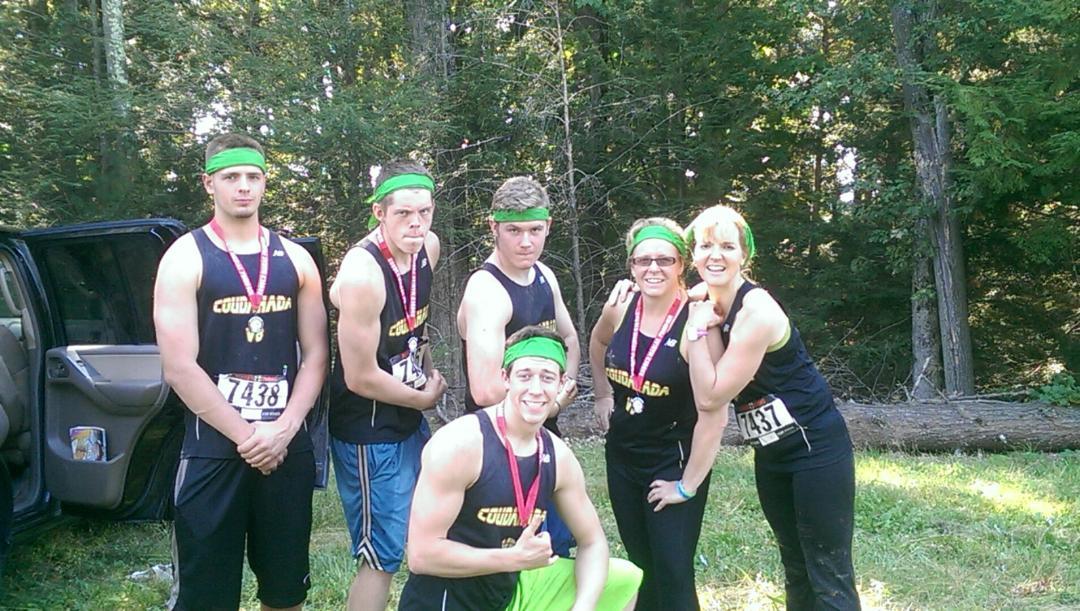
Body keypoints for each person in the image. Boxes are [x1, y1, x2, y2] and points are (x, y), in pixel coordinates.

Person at [155, 133, 329, 611]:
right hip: (214, 448)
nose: (244, 187)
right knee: (206, 598)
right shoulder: (185, 257)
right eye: (231, 176)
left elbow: (317, 355)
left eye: (253, 176)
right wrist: (248, 437)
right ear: (208, 182)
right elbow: (179, 367)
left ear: (265, 182)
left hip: (284, 446)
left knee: (286, 591)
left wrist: (284, 429)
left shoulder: (296, 259)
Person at [671, 204, 860, 610]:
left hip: (816, 449)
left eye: (727, 246)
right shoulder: (705, 302)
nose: (715, 255)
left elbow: (710, 396)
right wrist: (700, 318)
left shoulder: (756, 311)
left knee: (828, 572)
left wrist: (697, 327)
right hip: (771, 453)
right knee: (795, 564)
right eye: (705, 246)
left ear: (744, 255)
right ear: (694, 255)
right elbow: (701, 365)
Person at [399, 326, 643, 610]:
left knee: (622, 580)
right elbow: (422, 555)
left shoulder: (558, 456)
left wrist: (583, 607)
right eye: (525, 376)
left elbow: (593, 543)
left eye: (547, 377)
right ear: (505, 378)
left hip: (510, 589)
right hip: (446, 599)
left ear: (561, 383)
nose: (536, 389)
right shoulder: (460, 445)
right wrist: (513, 559)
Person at [328, 160, 448, 611]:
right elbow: (359, 377)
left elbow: (416, 323)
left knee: (431, 533)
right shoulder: (363, 273)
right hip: (369, 428)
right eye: (403, 213)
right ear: (379, 212)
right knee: (382, 555)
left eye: (425, 212)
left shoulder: (428, 247)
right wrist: (424, 398)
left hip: (409, 412)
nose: (416, 224)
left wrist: (427, 369)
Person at [589, 218, 726, 611]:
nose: (653, 269)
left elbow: (714, 413)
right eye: (643, 260)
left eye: (664, 260)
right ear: (631, 266)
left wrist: (686, 486)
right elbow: (598, 341)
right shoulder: (620, 306)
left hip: (672, 459)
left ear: (681, 264)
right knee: (640, 566)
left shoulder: (697, 322)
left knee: (673, 571)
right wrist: (602, 394)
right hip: (622, 456)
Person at [456, 176, 579, 556]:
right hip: (498, 449)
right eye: (514, 231)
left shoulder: (544, 275)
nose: (526, 242)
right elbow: (485, 390)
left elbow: (570, 339)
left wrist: (564, 383)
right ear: (493, 227)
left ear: (548, 226)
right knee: (508, 562)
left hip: (542, 439)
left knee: (555, 553)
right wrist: (554, 401)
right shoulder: (487, 290)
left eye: (535, 230)